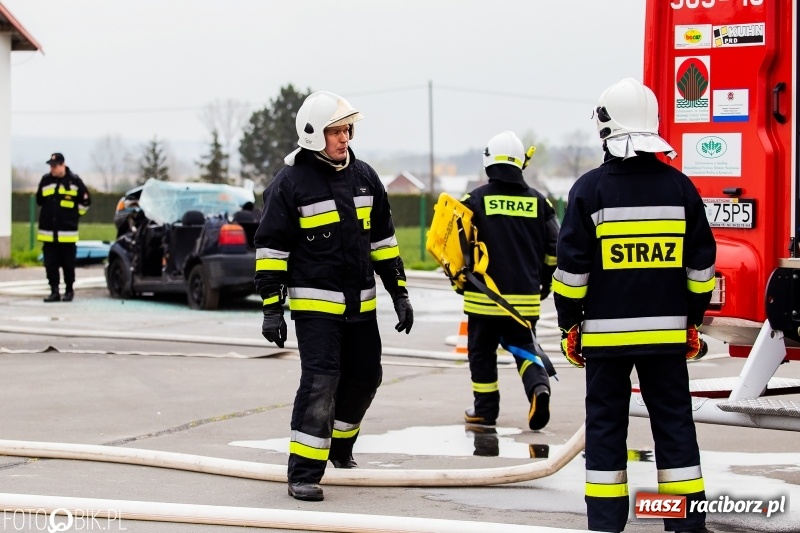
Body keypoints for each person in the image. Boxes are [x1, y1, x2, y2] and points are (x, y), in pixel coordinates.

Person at [553, 78, 716, 533]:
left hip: (606, 341)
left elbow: (571, 274)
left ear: (607, 128)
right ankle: (685, 524)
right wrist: (691, 320)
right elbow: (701, 269)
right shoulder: (681, 189)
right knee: (675, 427)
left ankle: (606, 523)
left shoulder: (589, 191)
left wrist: (569, 325)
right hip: (667, 338)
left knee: (605, 428)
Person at [253, 91, 414, 502]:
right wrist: (272, 308)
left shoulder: (365, 177)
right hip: (316, 312)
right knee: (321, 382)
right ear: (313, 134)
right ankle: (304, 473)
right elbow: (271, 252)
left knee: (366, 377)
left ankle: (341, 449)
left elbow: (384, 243)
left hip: (361, 307)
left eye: (347, 130)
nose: (345, 138)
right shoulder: (289, 184)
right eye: (336, 131)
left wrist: (399, 293)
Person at [460, 131, 559, 431]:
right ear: (520, 164)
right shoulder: (541, 203)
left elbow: (454, 246)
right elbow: (554, 250)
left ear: (489, 163)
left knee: (482, 353)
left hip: (483, 299)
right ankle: (538, 389)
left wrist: (460, 281)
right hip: (525, 299)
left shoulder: (474, 200)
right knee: (525, 349)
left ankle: (485, 410)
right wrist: (545, 283)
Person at [36, 153, 91, 302]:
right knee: (50, 265)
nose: (52, 169)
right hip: (48, 234)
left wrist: (73, 217)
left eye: (55, 166)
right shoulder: (46, 180)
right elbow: (39, 200)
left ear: (62, 165)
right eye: (51, 166)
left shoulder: (74, 181)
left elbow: (85, 202)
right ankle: (54, 291)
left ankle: (69, 291)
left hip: (67, 234)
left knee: (68, 265)